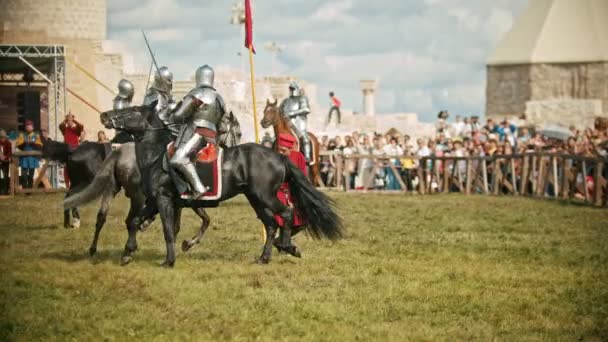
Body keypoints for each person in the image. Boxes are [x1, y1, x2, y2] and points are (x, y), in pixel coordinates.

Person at [169, 65, 225, 199]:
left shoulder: (197, 94)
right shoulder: (219, 98)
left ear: (198, 77)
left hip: (197, 133)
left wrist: (175, 107)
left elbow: (178, 115)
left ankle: (198, 188)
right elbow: (223, 124)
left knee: (177, 159)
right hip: (212, 136)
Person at [273, 133, 307, 232]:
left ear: (290, 149)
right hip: (276, 192)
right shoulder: (273, 157)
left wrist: (294, 200)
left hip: (293, 192)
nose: (280, 152)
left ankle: (280, 241)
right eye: (278, 149)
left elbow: (302, 178)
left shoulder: (298, 157)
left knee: (302, 222)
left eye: (283, 150)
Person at [280, 81, 312, 163]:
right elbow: (280, 111)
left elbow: (306, 109)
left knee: (304, 138)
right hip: (286, 123)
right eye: (290, 89)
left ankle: (307, 156)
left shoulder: (302, 98)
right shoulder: (285, 101)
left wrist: (292, 113)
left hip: (298, 123)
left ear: (296, 89)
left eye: (292, 89)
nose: (291, 90)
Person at [16, 120, 43, 189]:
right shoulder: (22, 135)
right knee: (23, 175)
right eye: (27, 126)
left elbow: (39, 146)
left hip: (32, 157)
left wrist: (32, 143)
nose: (28, 128)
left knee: (31, 175)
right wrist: (25, 142)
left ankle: (30, 189)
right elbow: (19, 146)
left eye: (30, 126)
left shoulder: (36, 136)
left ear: (32, 128)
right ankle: (25, 188)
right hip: (24, 157)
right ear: (25, 128)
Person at [0, 129, 12, 194]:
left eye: (3, 137)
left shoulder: (8, 143)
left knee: (5, 176)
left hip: (5, 161)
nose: (2, 138)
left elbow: (10, 152)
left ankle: (5, 191)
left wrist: (5, 157)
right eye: (1, 137)